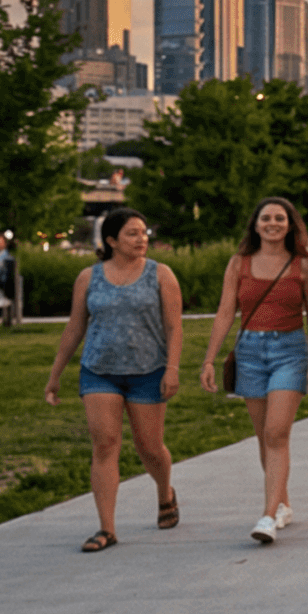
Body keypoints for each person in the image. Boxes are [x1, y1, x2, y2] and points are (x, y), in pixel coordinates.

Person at [43, 208, 183, 552]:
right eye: (132, 233)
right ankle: (106, 528)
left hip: (148, 370)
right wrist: (55, 375)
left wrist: (173, 368)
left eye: (143, 232)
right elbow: (75, 327)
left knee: (150, 448)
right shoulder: (89, 277)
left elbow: (174, 327)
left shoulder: (161, 274)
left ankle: (165, 492)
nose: (142, 239)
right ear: (111, 240)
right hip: (99, 371)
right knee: (105, 445)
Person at [198, 198, 308, 543]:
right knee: (265, 435)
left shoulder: (304, 265)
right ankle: (282, 503)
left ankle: (267, 516)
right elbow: (225, 312)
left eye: (280, 218)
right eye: (266, 218)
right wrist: (209, 358)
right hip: (249, 351)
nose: (273, 223)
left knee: (277, 432)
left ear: (290, 224)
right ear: (255, 224)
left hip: (289, 351)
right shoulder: (240, 263)